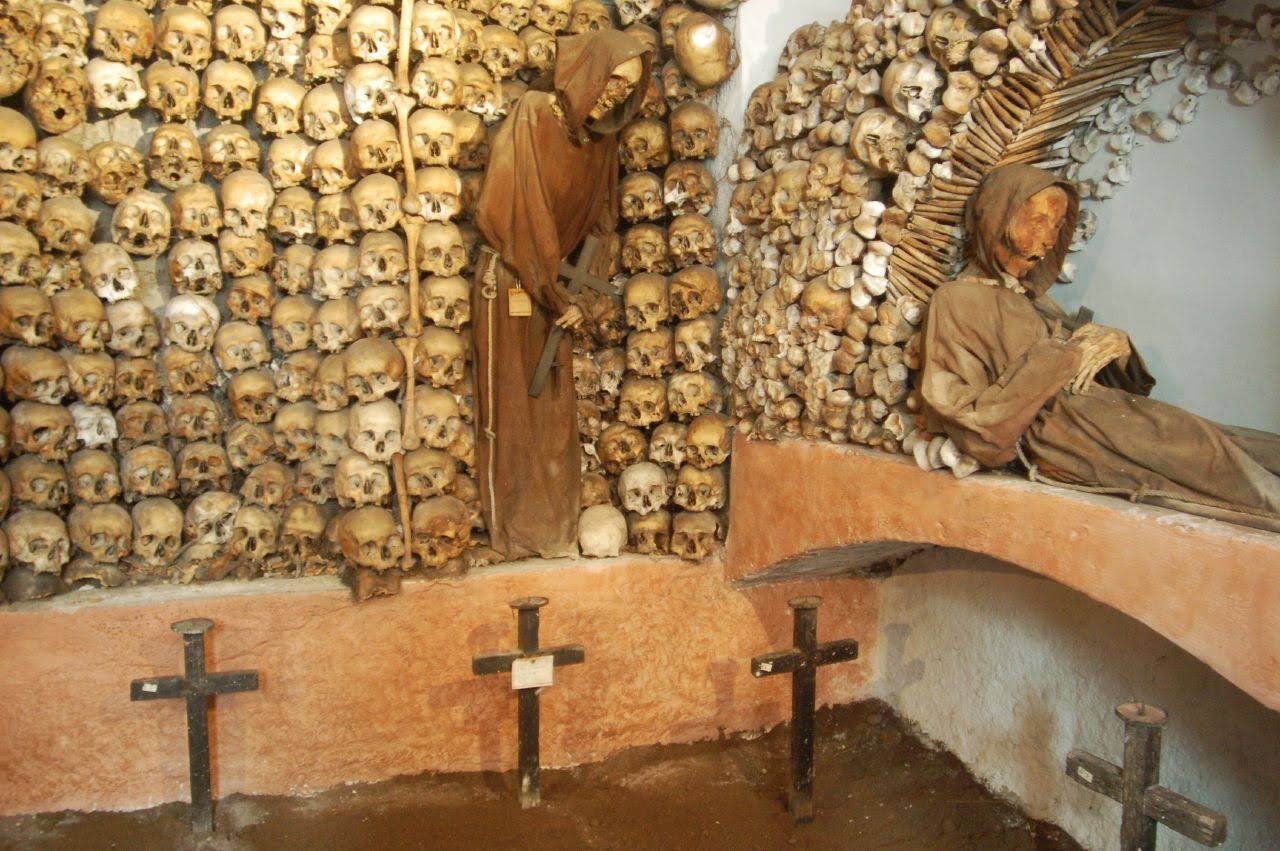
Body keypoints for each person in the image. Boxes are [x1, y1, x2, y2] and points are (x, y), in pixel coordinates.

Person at [920, 163, 1280, 531]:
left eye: (1056, 225)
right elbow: (974, 425)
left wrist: (1117, 348)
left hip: (1103, 413)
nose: (1048, 239)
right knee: (1204, 451)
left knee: (1242, 442)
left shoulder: (1036, 301)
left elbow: (1095, 375)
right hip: (1062, 436)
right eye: (1039, 220)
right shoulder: (957, 300)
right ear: (997, 215)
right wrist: (1067, 354)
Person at [471, 31, 652, 559]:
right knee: (512, 408)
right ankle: (516, 531)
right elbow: (518, 212)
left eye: (629, 87)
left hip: (557, 295)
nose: (619, 94)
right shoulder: (532, 115)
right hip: (513, 282)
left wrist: (583, 295)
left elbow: (601, 223)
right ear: (588, 69)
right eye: (614, 79)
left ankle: (551, 528)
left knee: (552, 411)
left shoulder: (603, 141)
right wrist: (553, 291)